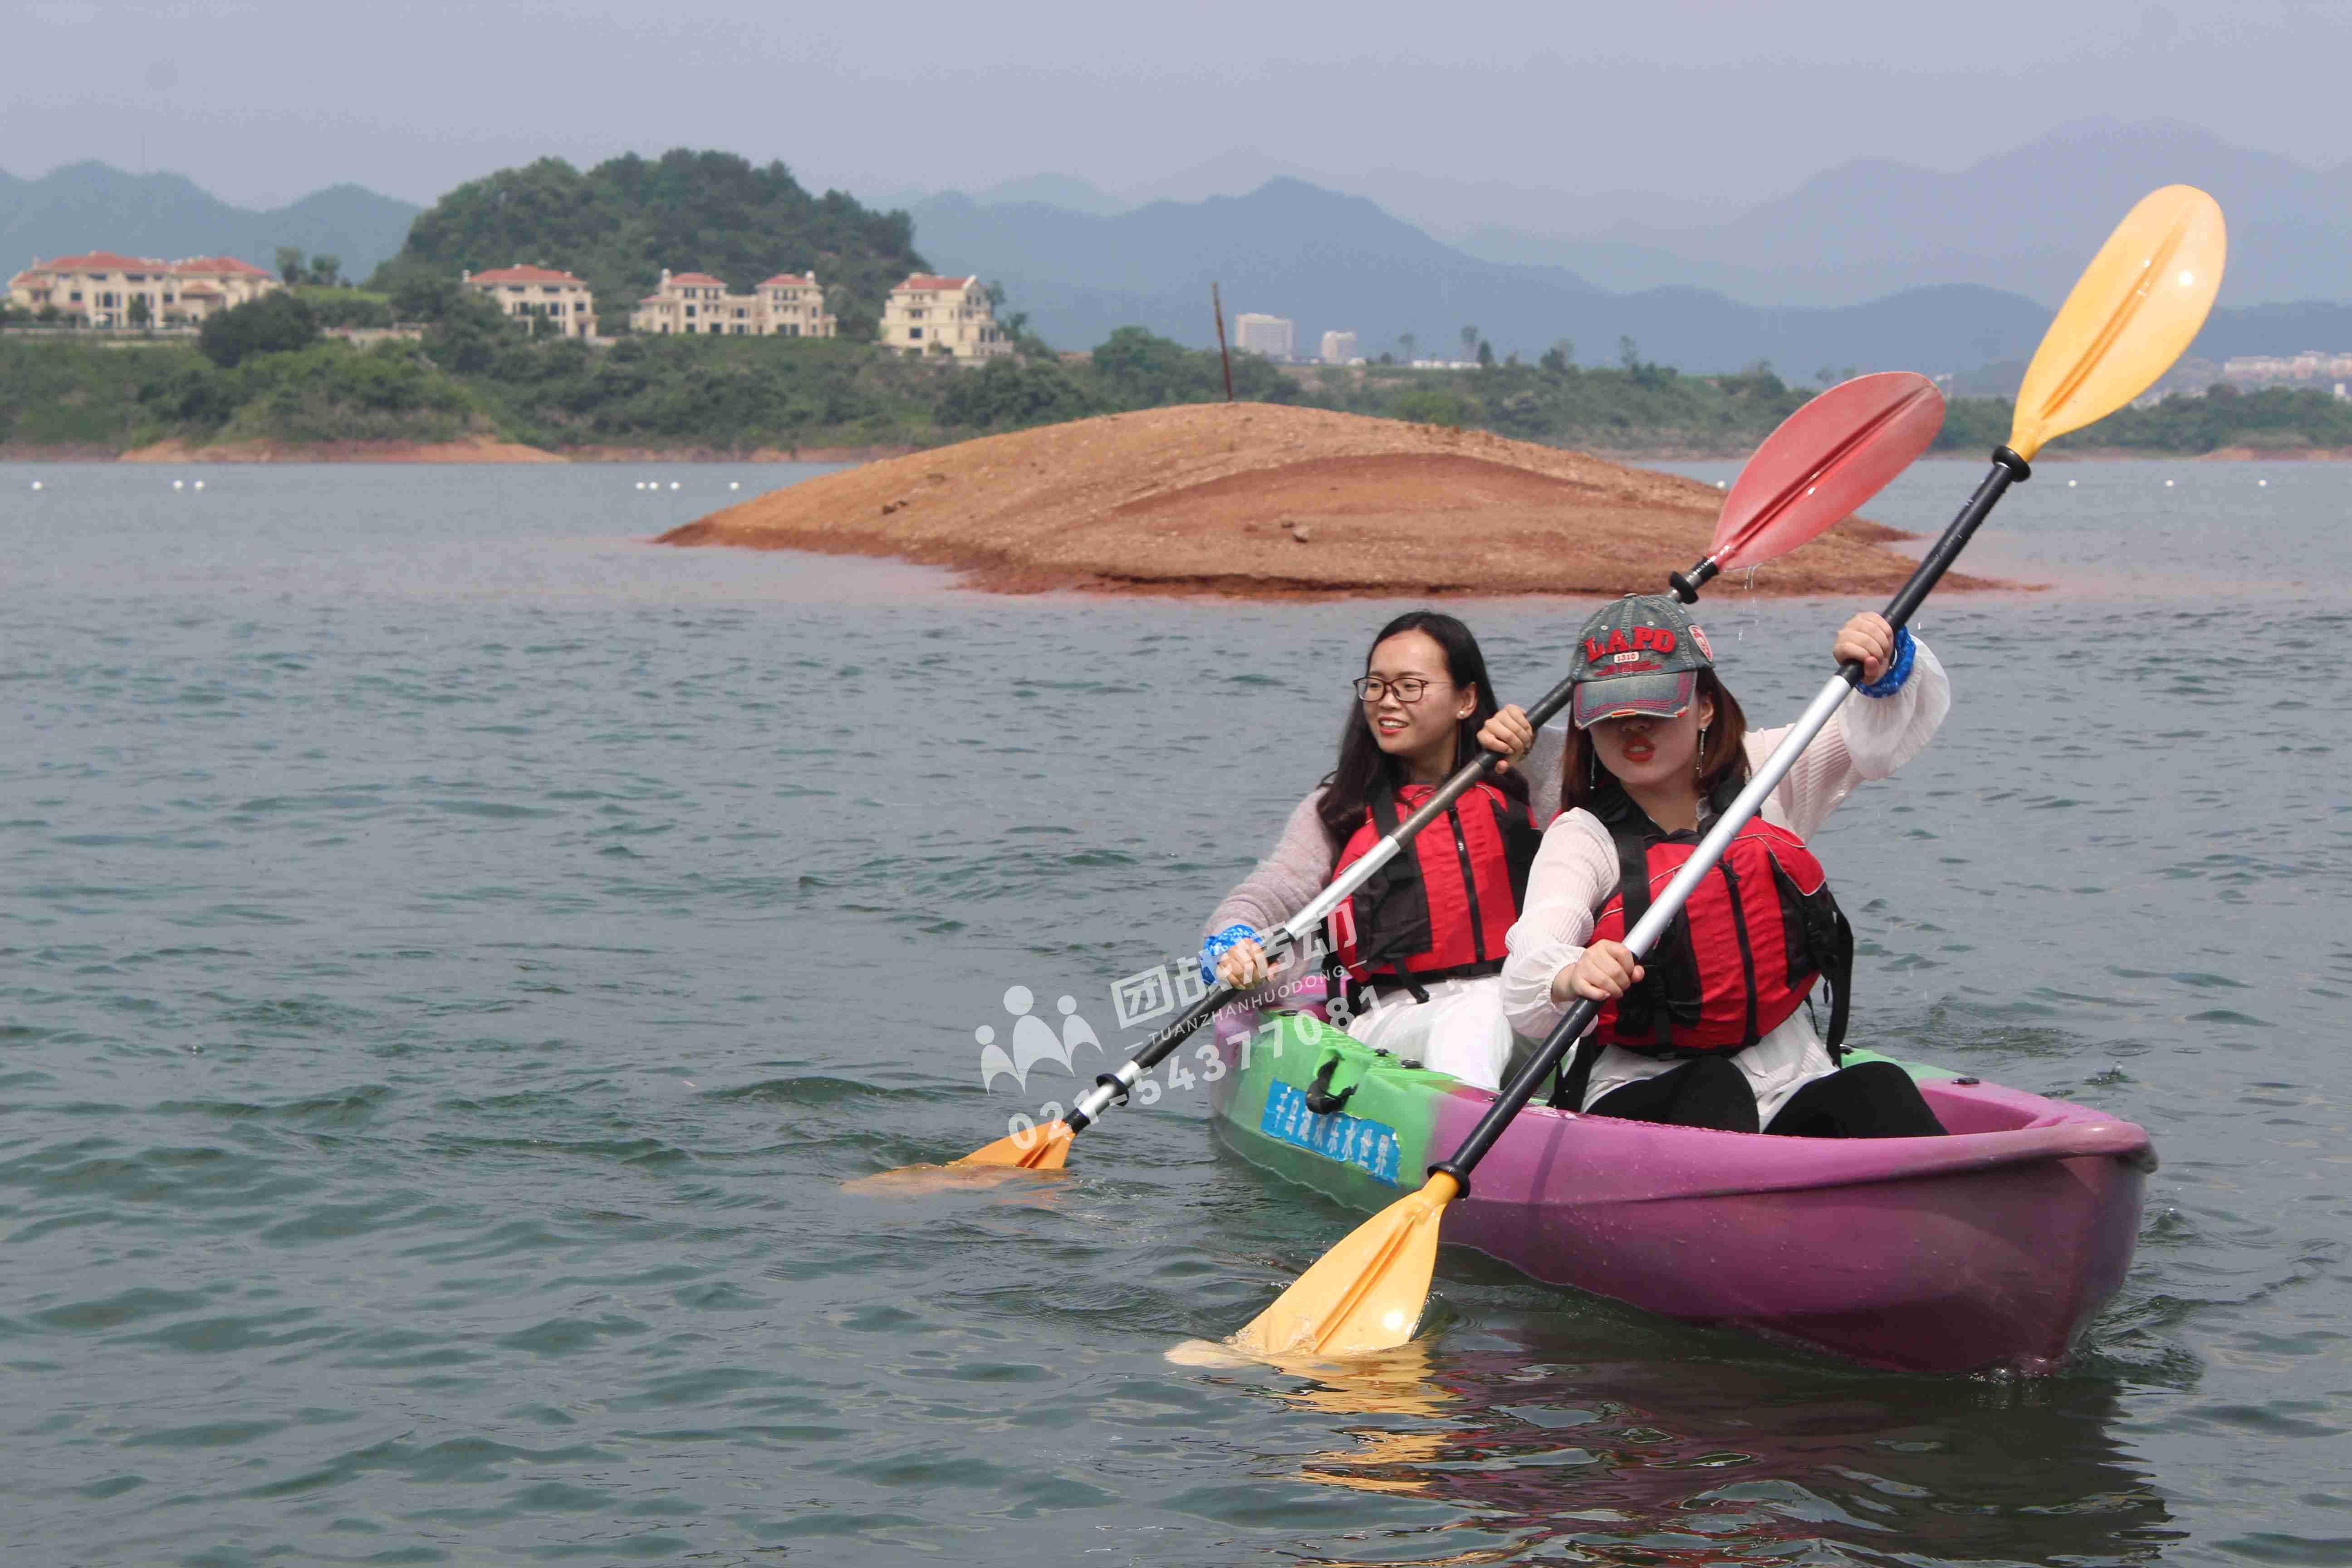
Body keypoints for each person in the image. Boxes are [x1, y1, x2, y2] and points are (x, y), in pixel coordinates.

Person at [1480, 593, 1949, 1137]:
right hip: (1640, 1089)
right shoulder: (1583, 837)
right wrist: (1568, 974)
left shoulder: (1769, 777)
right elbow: (1528, 967)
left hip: (1786, 1078)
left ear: (1705, 707)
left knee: (1879, 1086)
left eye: (1655, 707)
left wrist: (1881, 663)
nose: (1634, 727)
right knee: (1711, 1087)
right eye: (1613, 714)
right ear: (1587, 725)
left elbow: (1876, 734)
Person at [1201, 611, 1552, 1090]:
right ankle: (1465, 1149)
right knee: (1475, 1014)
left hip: (1525, 998)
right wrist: (1232, 939)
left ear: (1467, 700)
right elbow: (1271, 893)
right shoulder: (1340, 810)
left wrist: (1538, 750)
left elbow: (1605, 812)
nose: (1387, 702)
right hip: (1398, 1014)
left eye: (1409, 687)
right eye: (1376, 686)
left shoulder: (1521, 783)